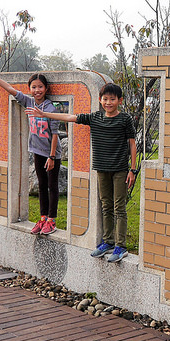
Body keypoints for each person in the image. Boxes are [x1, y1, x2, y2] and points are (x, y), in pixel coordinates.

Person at [29, 83, 137, 263]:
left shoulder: (125, 119)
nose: (108, 102)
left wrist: (132, 170)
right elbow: (69, 116)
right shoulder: (95, 117)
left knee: (119, 208)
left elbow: (132, 144)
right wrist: (45, 114)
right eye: (105, 99)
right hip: (102, 168)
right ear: (100, 100)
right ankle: (108, 242)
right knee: (106, 206)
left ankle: (121, 246)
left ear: (120, 100)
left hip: (120, 169)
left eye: (112, 99)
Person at [0, 60, 61, 235]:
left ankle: (51, 221)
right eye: (33, 87)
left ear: (46, 89)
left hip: (52, 154)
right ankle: (42, 218)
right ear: (30, 89)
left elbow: (55, 134)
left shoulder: (50, 108)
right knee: (41, 185)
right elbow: (10, 89)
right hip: (37, 152)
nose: (37, 90)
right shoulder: (29, 102)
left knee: (52, 186)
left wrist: (52, 156)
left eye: (40, 87)